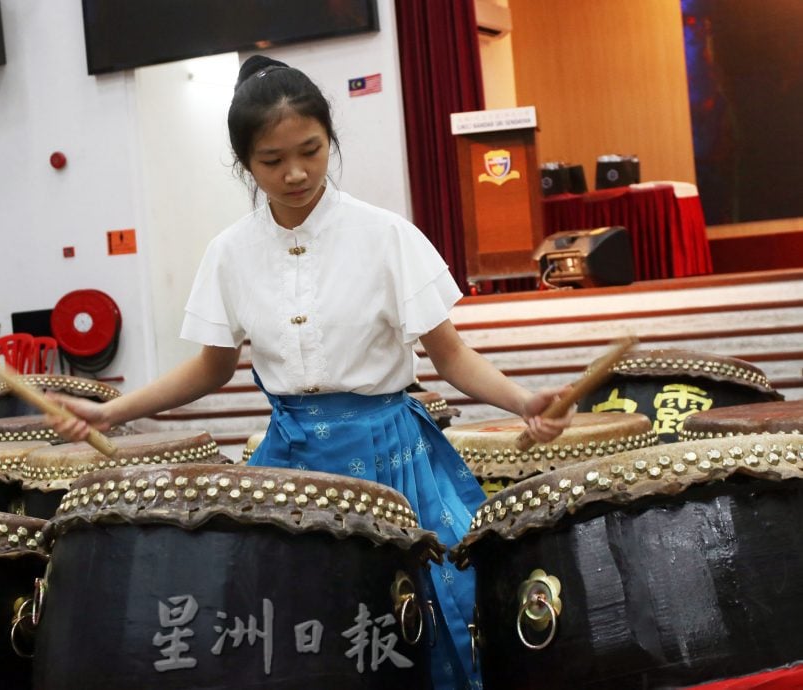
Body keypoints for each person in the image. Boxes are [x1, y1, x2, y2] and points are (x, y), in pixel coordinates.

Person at [48, 56, 573, 689]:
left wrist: (522, 401)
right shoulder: (230, 254)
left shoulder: (386, 236)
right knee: (289, 627)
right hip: (289, 460)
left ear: (330, 141)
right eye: (272, 161)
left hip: (391, 456)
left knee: (426, 616)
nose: (295, 173)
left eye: (311, 150)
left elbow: (450, 356)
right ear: (245, 162)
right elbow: (212, 369)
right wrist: (113, 411)